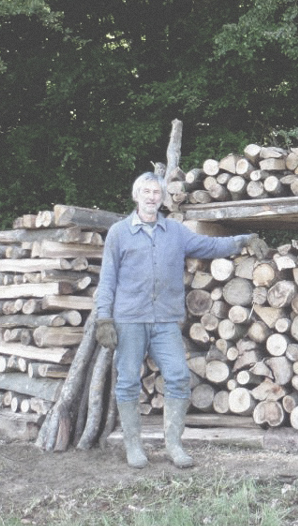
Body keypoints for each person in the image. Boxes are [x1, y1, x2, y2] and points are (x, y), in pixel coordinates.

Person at [95, 171, 269, 468]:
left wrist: (244, 240)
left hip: (165, 321)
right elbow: (107, 278)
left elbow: (210, 246)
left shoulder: (174, 232)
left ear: (162, 197)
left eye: (156, 192)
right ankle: (133, 447)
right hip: (129, 320)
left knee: (177, 376)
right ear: (136, 195)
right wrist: (103, 319)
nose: (151, 197)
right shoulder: (119, 233)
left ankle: (174, 444)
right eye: (146, 192)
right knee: (126, 383)